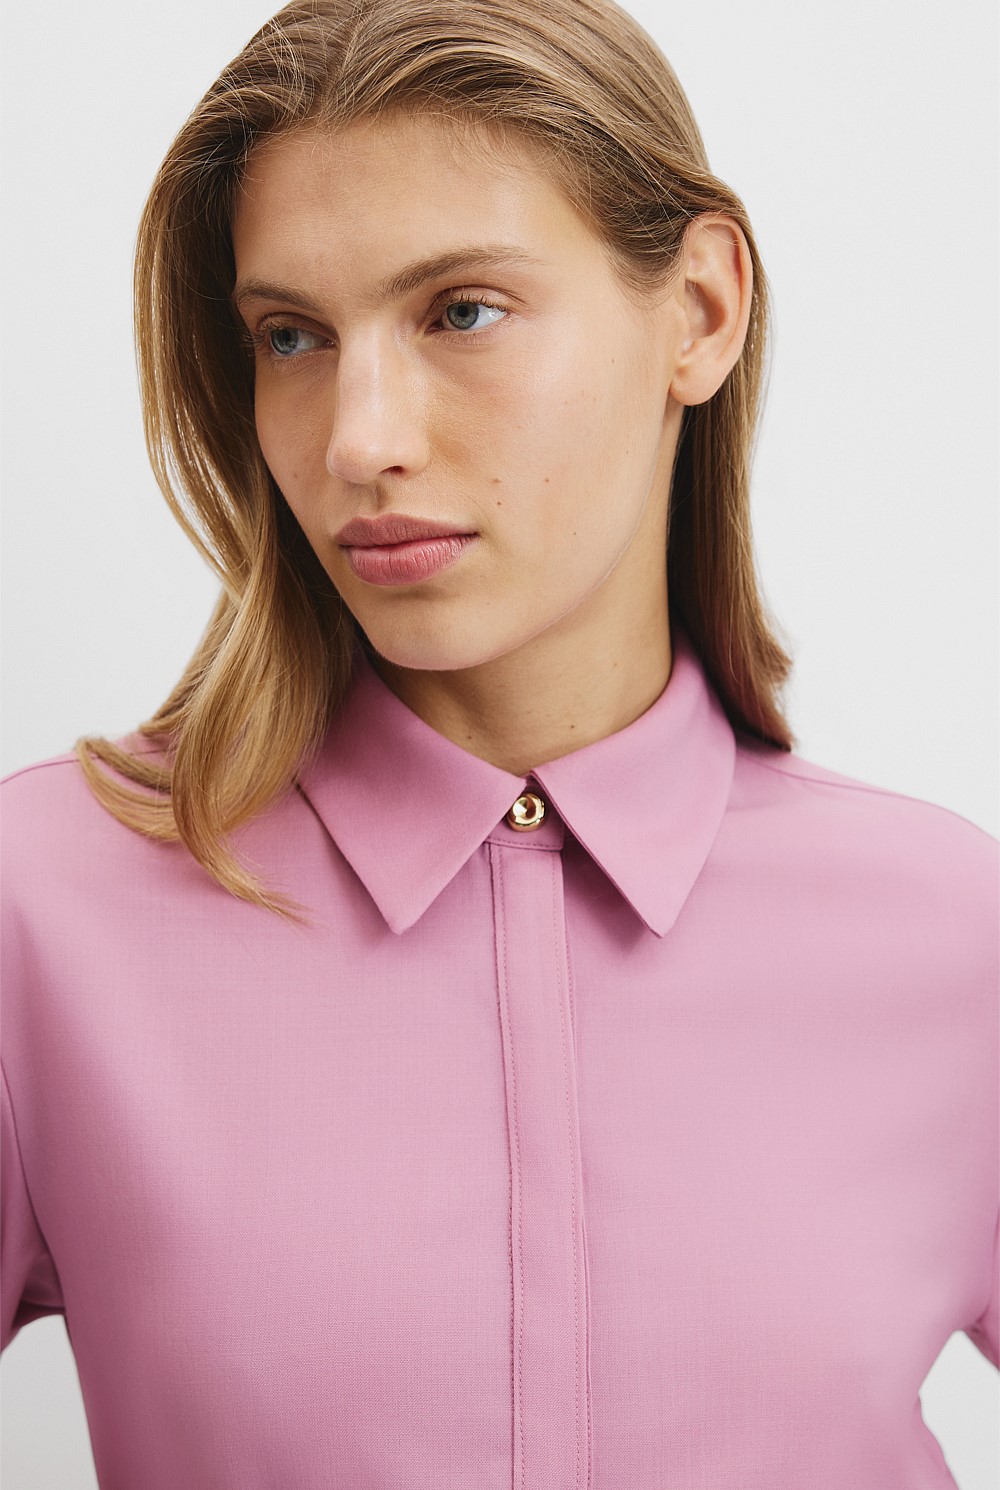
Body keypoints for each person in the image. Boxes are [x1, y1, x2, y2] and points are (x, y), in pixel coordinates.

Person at [1, 0, 996, 1484]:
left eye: (460, 311)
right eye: (292, 336)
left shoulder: (955, 929)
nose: (359, 439)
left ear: (700, 311)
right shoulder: (41, 907)